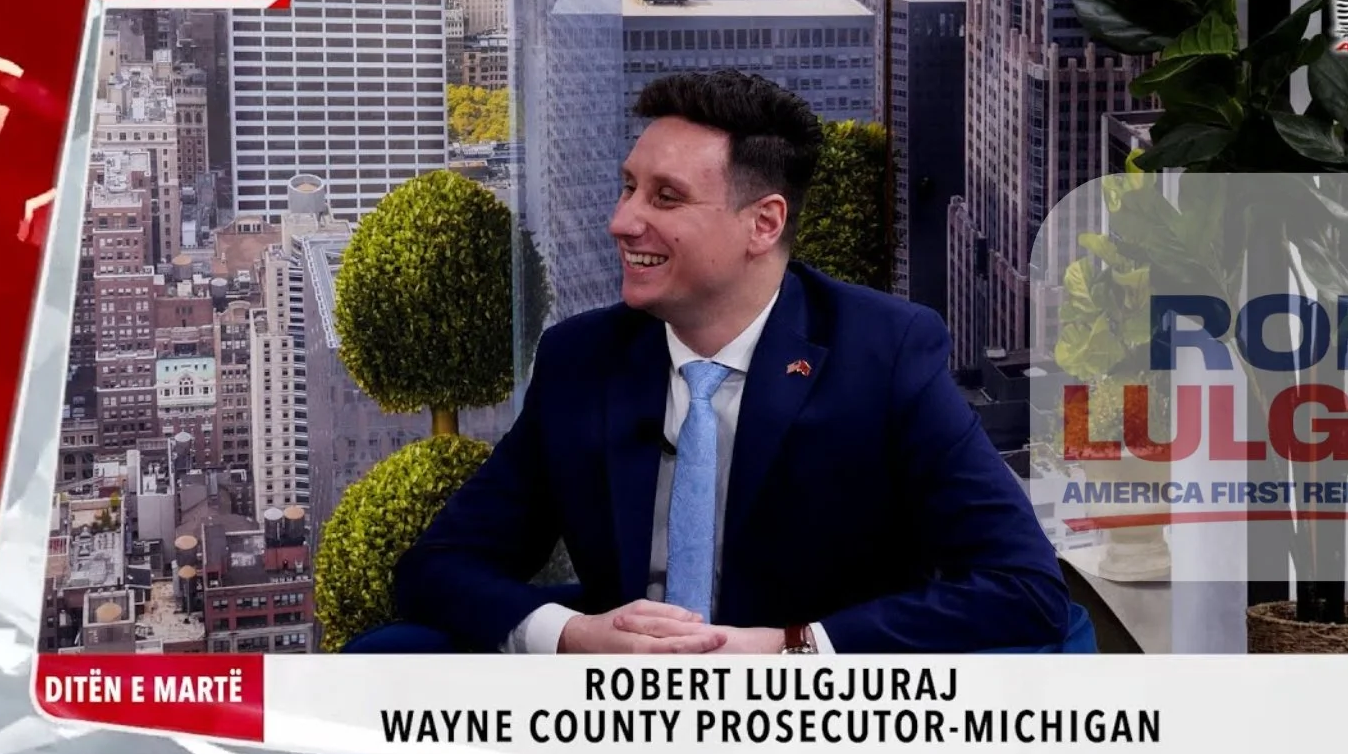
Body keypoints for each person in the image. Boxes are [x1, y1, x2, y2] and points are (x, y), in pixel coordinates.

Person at [382, 70, 1069, 654]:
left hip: (815, 732)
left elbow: (1023, 587)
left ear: (763, 224)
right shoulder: (581, 359)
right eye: (628, 188)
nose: (622, 221)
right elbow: (437, 567)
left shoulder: (884, 353)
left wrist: (788, 646)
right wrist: (573, 636)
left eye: (665, 197)